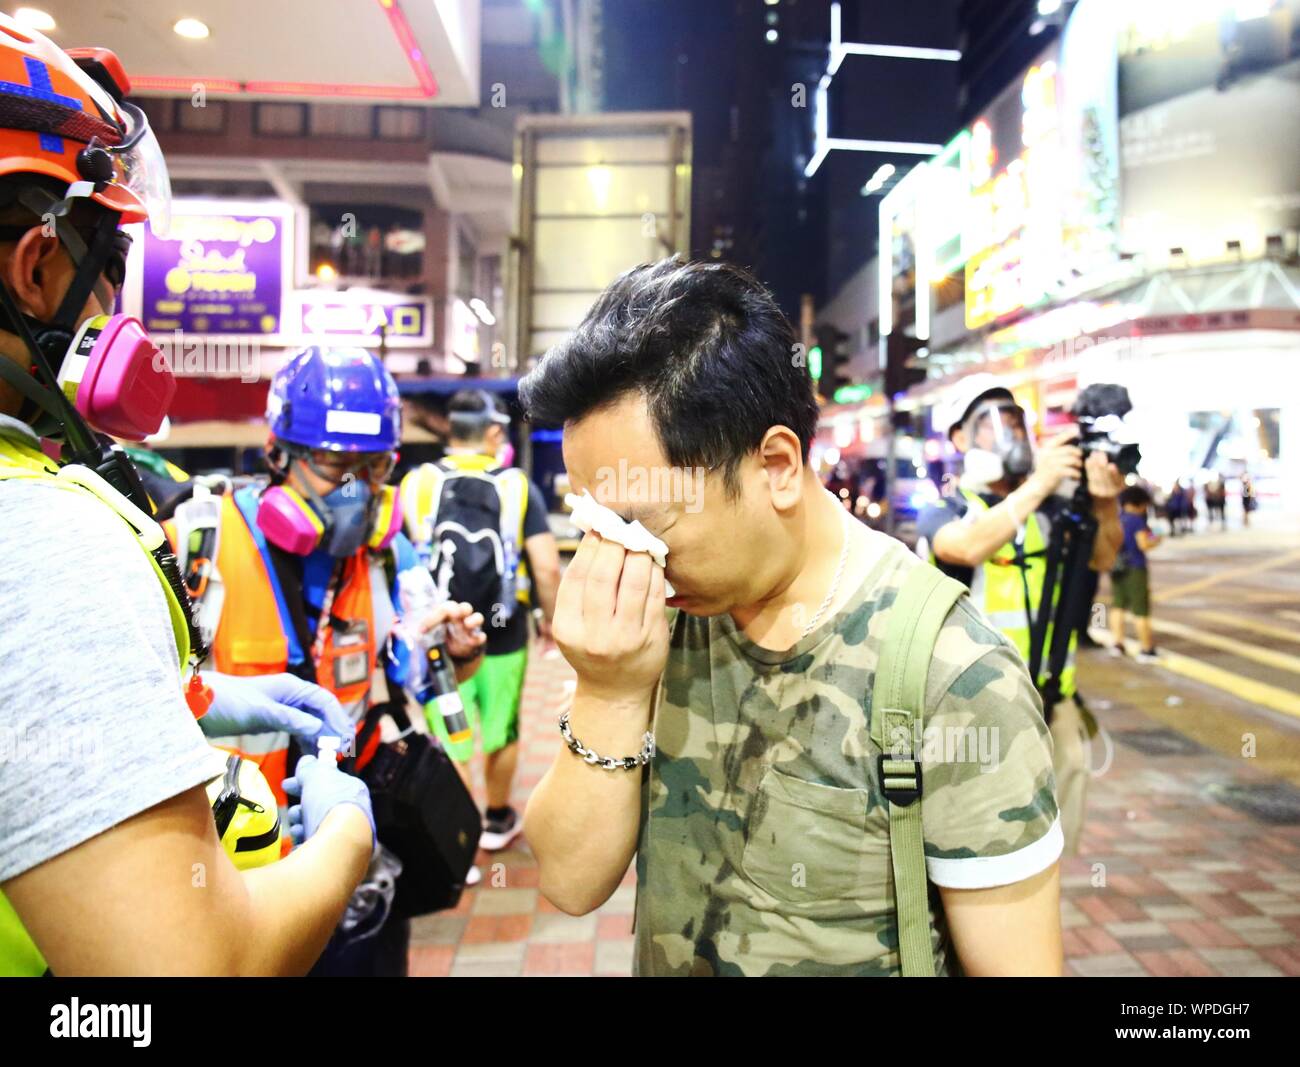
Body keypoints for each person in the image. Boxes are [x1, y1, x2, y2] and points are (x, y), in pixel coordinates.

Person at [520, 258, 1065, 977]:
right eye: (596, 522)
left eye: (639, 522)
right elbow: (568, 878)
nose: (616, 558)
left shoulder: (952, 672)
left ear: (775, 464)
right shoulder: (661, 617)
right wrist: (609, 690)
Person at [0, 19, 376, 975]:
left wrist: (189, 698)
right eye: (106, 269)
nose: (112, 311)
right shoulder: (44, 537)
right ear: (37, 269)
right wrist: (343, 841)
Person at [163, 346, 487, 975]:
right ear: (278, 454)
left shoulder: (390, 558)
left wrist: (455, 654)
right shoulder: (197, 543)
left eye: (375, 468)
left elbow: (408, 680)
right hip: (230, 865)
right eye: (338, 465)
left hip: (354, 863)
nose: (357, 491)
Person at [916, 374, 1125, 857]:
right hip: (976, 712)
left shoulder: (1053, 509)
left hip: (1055, 702)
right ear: (960, 438)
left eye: (1014, 420)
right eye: (991, 423)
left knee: (1055, 845)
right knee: (980, 848)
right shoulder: (946, 509)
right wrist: (1040, 483)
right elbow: (966, 546)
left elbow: (1104, 556)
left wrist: (1105, 500)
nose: (1007, 433)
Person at [400, 390, 561, 854]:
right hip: (503, 630)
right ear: (494, 433)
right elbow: (547, 567)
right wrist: (549, 621)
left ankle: (457, 834)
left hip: (438, 633)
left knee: (448, 733)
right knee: (501, 728)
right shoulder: (517, 485)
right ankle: (495, 819)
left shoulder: (416, 484)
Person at [1108, 486, 1160, 663]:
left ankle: (1117, 644)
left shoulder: (1118, 518)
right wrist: (1157, 539)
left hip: (1116, 567)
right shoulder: (1137, 520)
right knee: (1140, 609)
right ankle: (1146, 649)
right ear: (1140, 503)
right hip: (1135, 568)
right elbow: (1143, 544)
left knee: (1118, 606)